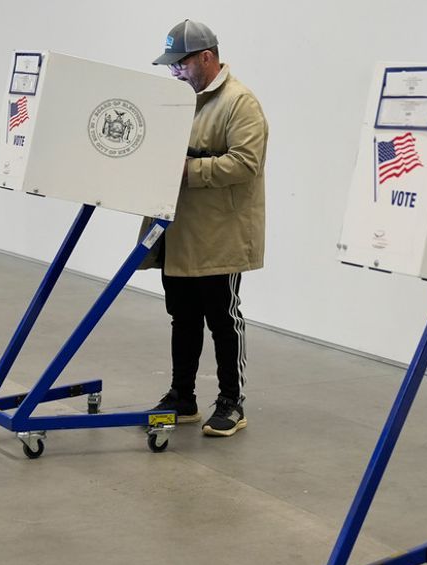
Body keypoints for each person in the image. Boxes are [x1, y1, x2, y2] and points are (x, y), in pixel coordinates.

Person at [142, 19, 268, 437]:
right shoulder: (179, 100)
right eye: (171, 66)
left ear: (207, 58)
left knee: (223, 319)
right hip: (178, 233)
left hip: (219, 236)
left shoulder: (239, 102)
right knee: (182, 317)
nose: (174, 72)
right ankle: (183, 395)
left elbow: (246, 164)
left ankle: (232, 403)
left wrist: (188, 168)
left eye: (181, 64)